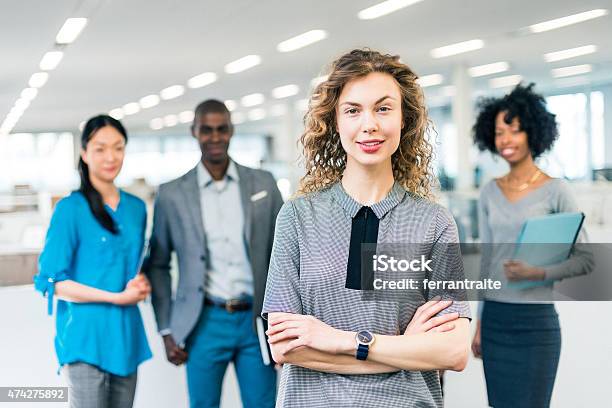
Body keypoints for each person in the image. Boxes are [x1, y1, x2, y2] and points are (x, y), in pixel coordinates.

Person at [262, 49, 472, 408]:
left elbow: (454, 351)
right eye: (353, 110)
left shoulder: (434, 223)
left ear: (404, 119)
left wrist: (344, 340)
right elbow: (285, 348)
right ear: (336, 121)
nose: (369, 124)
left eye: (383, 108)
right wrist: (406, 347)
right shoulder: (296, 217)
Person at [145, 99, 284, 408]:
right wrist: (167, 328)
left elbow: (285, 255)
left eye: (222, 129)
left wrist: (286, 323)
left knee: (263, 404)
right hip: (203, 321)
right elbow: (157, 264)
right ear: (194, 132)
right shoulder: (172, 194)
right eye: (207, 130)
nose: (215, 137)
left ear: (232, 130)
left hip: (256, 322)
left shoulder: (263, 183)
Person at [471, 83, 594, 408]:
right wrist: (479, 323)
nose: (506, 140)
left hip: (535, 324)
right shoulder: (488, 192)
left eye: (515, 130)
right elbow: (486, 261)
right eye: (499, 132)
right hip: (496, 320)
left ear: (533, 133)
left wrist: (538, 271)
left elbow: (584, 259)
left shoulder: (556, 191)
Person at [34, 115, 152, 408]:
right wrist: (116, 297)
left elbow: (130, 266)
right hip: (85, 337)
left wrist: (140, 283)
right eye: (100, 149)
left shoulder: (136, 208)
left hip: (125, 336)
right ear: (85, 153)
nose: (110, 157)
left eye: (118, 147)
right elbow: (52, 282)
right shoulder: (70, 209)